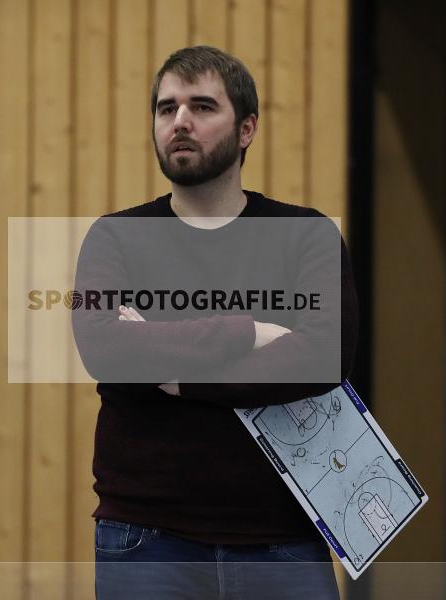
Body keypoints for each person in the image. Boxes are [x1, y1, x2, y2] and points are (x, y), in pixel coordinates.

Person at [71, 46, 358, 599]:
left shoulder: (307, 235)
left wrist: (182, 376)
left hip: (284, 538)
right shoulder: (113, 237)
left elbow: (324, 354)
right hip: (146, 538)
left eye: (202, 106)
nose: (179, 121)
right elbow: (106, 347)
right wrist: (248, 332)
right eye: (166, 108)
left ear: (246, 129)